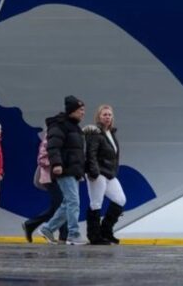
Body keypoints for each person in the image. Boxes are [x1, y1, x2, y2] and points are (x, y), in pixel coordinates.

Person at [39, 96, 88, 245]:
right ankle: (73, 234)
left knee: (67, 203)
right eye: (80, 110)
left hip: (73, 170)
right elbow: (53, 146)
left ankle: (48, 229)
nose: (83, 113)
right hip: (64, 169)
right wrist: (56, 164)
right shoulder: (59, 125)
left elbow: (77, 151)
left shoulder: (74, 127)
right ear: (72, 110)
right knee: (73, 202)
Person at [84, 104, 127, 245]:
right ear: (99, 117)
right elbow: (91, 153)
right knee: (96, 203)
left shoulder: (111, 133)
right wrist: (94, 172)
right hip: (98, 173)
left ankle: (106, 231)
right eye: (104, 115)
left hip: (110, 174)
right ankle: (94, 236)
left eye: (109, 115)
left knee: (120, 200)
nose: (107, 117)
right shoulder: (95, 133)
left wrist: (114, 171)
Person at [23, 129, 66, 243]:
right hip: (50, 177)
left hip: (58, 178)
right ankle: (63, 235)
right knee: (62, 205)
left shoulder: (61, 137)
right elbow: (41, 159)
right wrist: (57, 164)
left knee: (57, 206)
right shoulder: (49, 138)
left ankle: (30, 224)